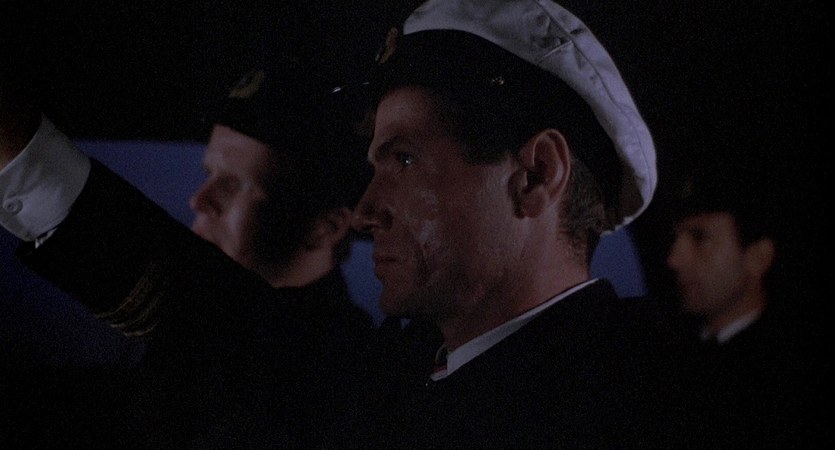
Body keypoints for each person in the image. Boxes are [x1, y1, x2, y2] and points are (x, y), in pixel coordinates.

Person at [326, 0, 673, 447]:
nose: (364, 213)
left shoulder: (654, 411)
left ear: (536, 176)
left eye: (405, 160)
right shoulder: (393, 382)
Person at [1, 48, 375, 447]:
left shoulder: (329, 367)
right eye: (209, 173)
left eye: (236, 184)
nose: (200, 200)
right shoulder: (219, 336)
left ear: (325, 227)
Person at [662, 158, 827, 448]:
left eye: (699, 237)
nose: (674, 260)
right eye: (676, 238)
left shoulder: (785, 384)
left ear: (758, 257)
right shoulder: (666, 361)